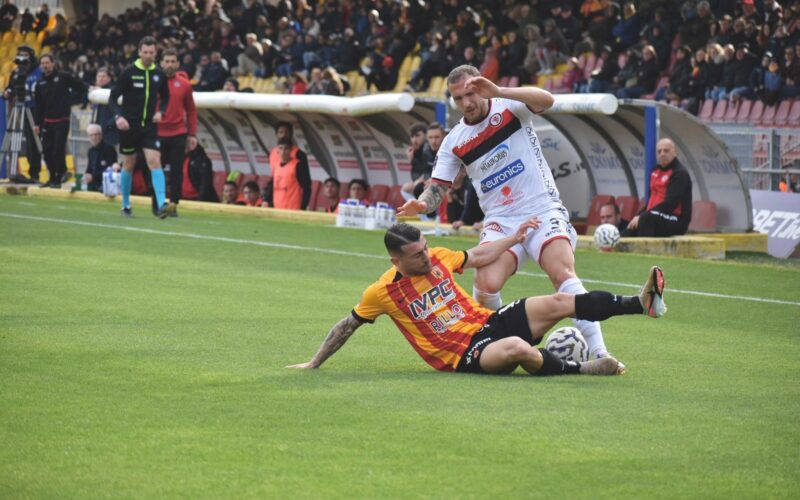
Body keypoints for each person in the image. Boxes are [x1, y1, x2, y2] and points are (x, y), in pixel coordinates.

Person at [398, 64, 622, 370]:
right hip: (501, 220)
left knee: (562, 274)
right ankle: (504, 341)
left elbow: (547, 100)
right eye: (459, 97)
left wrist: (499, 90)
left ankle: (600, 353)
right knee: (486, 282)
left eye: (471, 93)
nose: (467, 102)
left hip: (541, 207)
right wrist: (422, 205)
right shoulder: (454, 141)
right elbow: (437, 187)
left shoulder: (510, 105)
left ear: (481, 86)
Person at [287, 222, 667, 375]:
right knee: (518, 347)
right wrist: (314, 363)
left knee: (558, 301)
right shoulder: (382, 292)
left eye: (426, 248)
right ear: (396, 260)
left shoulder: (438, 259)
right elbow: (347, 324)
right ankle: (580, 370)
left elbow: (480, 255)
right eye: (417, 254)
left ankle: (641, 303)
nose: (427, 256)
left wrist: (515, 239)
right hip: (463, 355)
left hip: (488, 322)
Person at [107, 36, 172, 218]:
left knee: (155, 161)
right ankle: (126, 205)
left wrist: (162, 112)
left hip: (149, 127)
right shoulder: (128, 72)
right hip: (129, 127)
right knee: (128, 163)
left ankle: (161, 205)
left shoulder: (159, 74)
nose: (148, 56)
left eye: (152, 53)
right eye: (145, 52)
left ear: (155, 53)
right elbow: (112, 98)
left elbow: (166, 97)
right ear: (139, 52)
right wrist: (118, 117)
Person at [33, 53, 88, 187]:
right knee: (46, 152)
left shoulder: (63, 77)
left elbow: (80, 86)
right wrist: (37, 124)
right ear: (40, 66)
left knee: (58, 150)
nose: (45, 65)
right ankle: (53, 179)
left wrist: (91, 88)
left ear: (53, 63)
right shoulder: (39, 84)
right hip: (47, 121)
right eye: (43, 63)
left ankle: (63, 172)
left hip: (62, 120)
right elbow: (39, 106)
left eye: (47, 62)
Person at [158, 48, 198, 217]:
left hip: (178, 133)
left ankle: (174, 204)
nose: (170, 64)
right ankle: (158, 202)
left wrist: (192, 134)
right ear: (161, 63)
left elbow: (191, 110)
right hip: (157, 133)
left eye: (173, 61)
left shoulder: (185, 85)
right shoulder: (154, 82)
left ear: (178, 64)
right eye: (167, 61)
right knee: (155, 170)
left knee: (176, 171)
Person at [627, 138, 693, 237]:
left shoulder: (679, 173)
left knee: (646, 219)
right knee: (630, 228)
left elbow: (670, 204)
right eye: (659, 151)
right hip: (654, 215)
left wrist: (642, 216)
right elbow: (650, 202)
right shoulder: (655, 171)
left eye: (666, 151)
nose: (662, 154)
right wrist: (638, 215)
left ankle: (646, 251)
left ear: (675, 153)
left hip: (676, 219)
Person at [2, 45, 42, 183]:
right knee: (21, 140)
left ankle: (35, 174)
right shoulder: (16, 72)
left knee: (34, 141)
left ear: (31, 56)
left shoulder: (39, 71)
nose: (22, 57)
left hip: (37, 109)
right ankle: (12, 173)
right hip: (22, 107)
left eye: (25, 55)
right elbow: (11, 87)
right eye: (20, 54)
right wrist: (7, 92)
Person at [268, 121, 311, 209]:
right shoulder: (272, 153)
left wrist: (303, 205)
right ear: (276, 134)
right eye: (281, 132)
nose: (283, 135)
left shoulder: (299, 155)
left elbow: (306, 184)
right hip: (278, 201)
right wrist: (267, 199)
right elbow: (273, 180)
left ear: (291, 134)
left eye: (286, 132)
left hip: (293, 203)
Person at [83, 124, 119, 192]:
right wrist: (86, 176)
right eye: (91, 135)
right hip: (93, 185)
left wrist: (93, 177)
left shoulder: (109, 149)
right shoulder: (90, 151)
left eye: (96, 134)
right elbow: (89, 169)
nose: (94, 137)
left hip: (105, 185)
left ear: (101, 135)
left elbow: (110, 170)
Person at [90, 67, 118, 146]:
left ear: (109, 79)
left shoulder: (113, 91)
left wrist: (105, 127)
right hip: (97, 132)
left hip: (109, 132)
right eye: (99, 76)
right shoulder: (96, 92)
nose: (100, 79)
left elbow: (118, 113)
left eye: (103, 76)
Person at [400, 123, 429, 201]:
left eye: (417, 136)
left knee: (406, 188)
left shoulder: (427, 149)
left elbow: (429, 168)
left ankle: (419, 209)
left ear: (426, 135)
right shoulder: (415, 151)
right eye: (412, 137)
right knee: (405, 188)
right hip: (420, 184)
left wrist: (419, 180)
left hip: (428, 183)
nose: (414, 140)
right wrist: (411, 159)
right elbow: (417, 170)